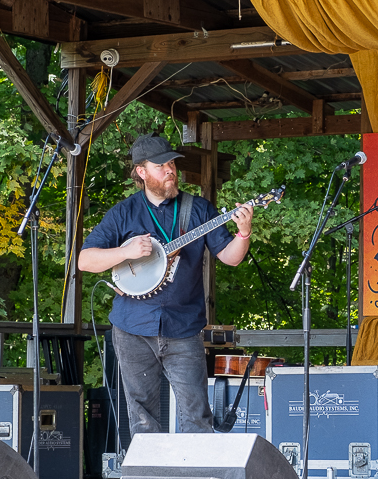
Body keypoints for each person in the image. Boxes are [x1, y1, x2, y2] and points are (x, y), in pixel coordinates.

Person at [79, 134, 253, 435]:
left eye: (172, 163)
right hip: (132, 325)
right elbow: (85, 260)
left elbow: (230, 257)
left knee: (197, 414)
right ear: (141, 171)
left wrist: (244, 233)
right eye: (161, 165)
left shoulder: (198, 210)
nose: (170, 169)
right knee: (142, 417)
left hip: (183, 325)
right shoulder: (124, 213)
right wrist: (126, 252)